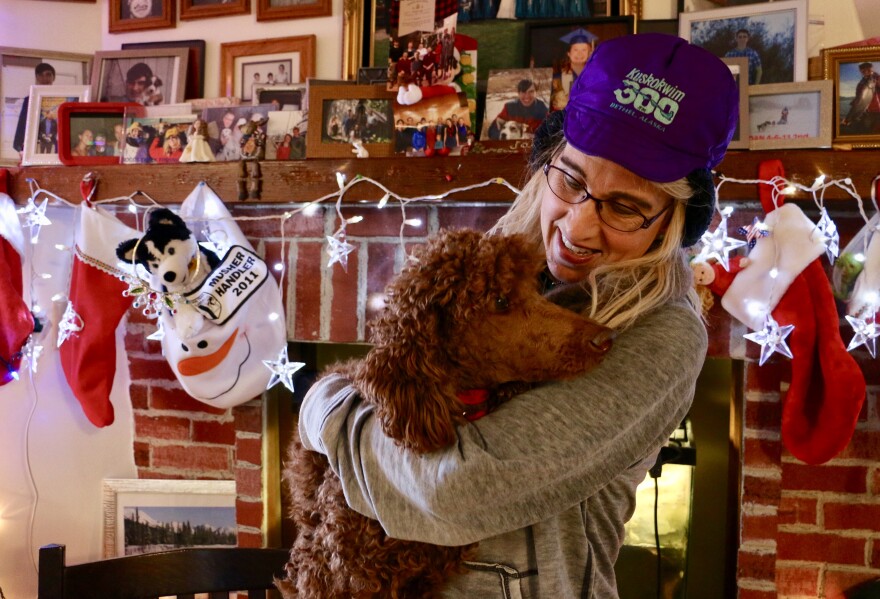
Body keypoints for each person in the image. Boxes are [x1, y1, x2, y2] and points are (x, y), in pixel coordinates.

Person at [296, 33, 738, 598]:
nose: (577, 227)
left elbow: (454, 493)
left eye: (626, 207)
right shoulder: (503, 262)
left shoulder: (663, 334)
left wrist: (323, 408)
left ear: (673, 219)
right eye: (571, 180)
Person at [550, 28, 598, 111]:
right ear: (568, 53)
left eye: (584, 50)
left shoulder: (596, 77)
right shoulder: (556, 79)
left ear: (589, 53)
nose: (579, 53)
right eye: (575, 50)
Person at [13, 62, 56, 156]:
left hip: (54, 146)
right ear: (37, 78)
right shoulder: (29, 100)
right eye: (41, 75)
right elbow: (22, 124)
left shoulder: (61, 100)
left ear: (53, 78)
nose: (44, 78)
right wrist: (21, 148)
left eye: (48, 75)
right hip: (33, 147)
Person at [842, 62, 880, 134]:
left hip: (878, 111)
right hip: (867, 113)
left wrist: (877, 81)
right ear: (860, 70)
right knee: (866, 131)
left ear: (872, 68)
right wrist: (848, 117)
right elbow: (857, 99)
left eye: (868, 67)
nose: (866, 70)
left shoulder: (877, 78)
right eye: (863, 68)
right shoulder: (860, 84)